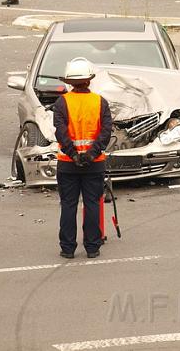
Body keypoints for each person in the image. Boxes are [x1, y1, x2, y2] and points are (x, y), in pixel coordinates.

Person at [53, 57, 112, 259]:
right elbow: (106, 132)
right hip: (94, 164)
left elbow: (60, 133)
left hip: (68, 164)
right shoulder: (99, 102)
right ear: (89, 80)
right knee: (92, 204)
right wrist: (90, 154)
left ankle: (68, 248)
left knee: (69, 205)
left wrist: (74, 155)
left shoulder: (62, 103)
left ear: (69, 82)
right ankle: (92, 247)